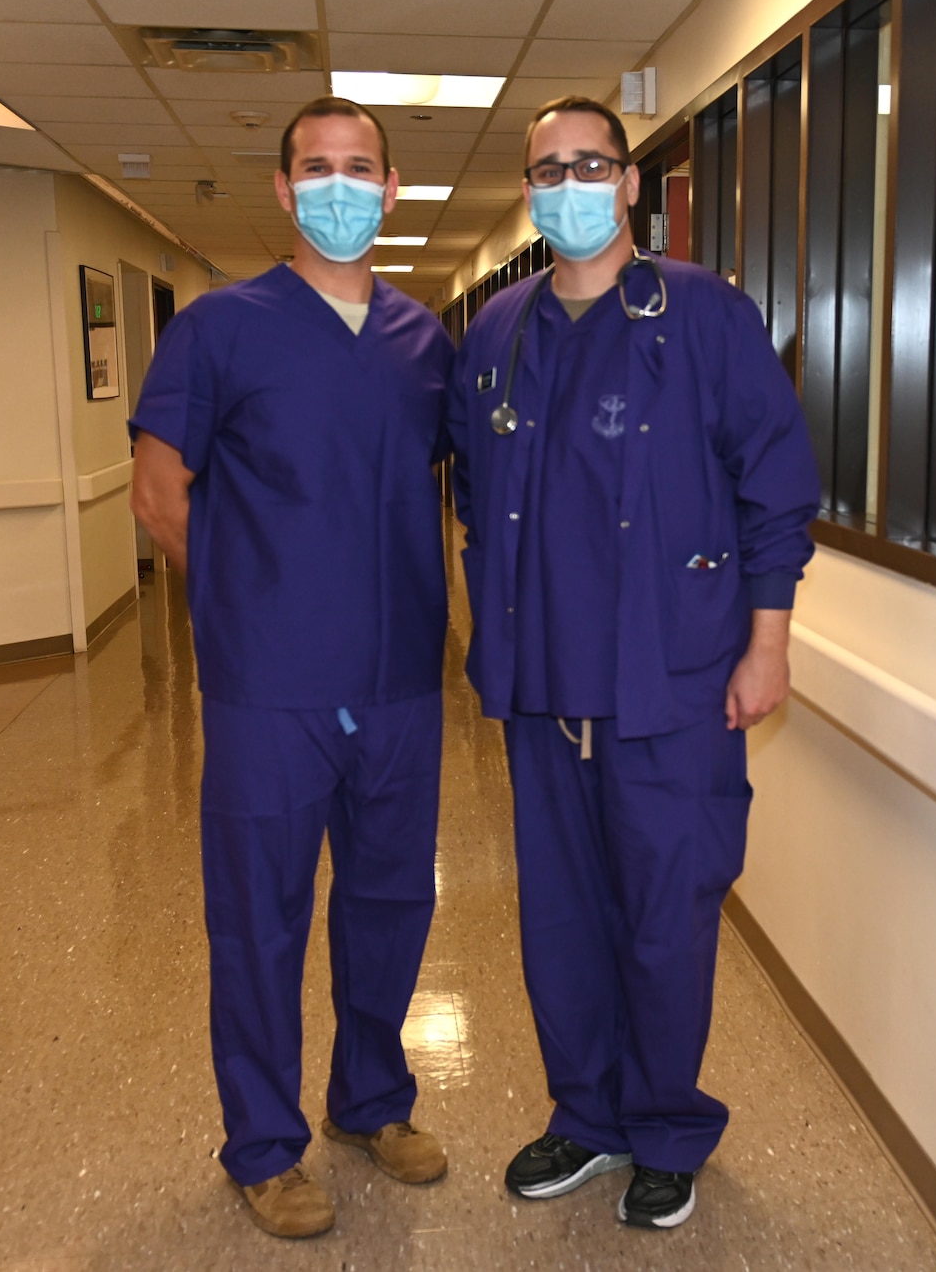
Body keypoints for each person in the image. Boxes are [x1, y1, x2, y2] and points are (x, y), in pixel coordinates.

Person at [447, 96, 821, 1231]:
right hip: (543, 690)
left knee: (664, 917)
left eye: (588, 163)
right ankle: (586, 1115)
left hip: (672, 687)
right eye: (546, 167)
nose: (567, 182)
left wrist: (767, 641)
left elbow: (775, 487)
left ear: (625, 182)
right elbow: (470, 496)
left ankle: (664, 1126)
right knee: (560, 918)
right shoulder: (497, 332)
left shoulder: (702, 315)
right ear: (527, 190)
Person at [128, 96, 453, 1240]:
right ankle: (263, 1146)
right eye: (315, 167)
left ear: (390, 185)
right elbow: (160, 490)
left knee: (390, 902)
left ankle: (370, 1099)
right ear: (280, 188)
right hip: (269, 683)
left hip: (403, 677)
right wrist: (246, 594)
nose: (336, 185)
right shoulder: (220, 329)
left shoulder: (423, 342)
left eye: (357, 167)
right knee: (259, 918)